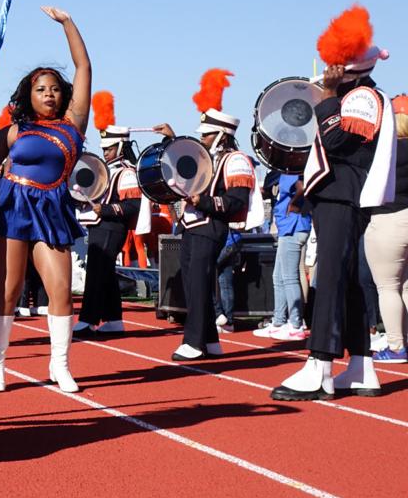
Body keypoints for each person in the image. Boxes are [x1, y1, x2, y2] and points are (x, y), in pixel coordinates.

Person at [273, 5, 392, 400]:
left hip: (343, 197)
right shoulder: (357, 95)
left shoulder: (363, 97)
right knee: (351, 282)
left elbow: (338, 140)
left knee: (330, 279)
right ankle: (361, 366)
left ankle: (320, 364)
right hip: (339, 196)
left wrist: (325, 94)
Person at [0, 7, 92, 393]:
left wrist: (68, 24)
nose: (49, 95)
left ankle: (60, 365)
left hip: (52, 208)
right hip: (10, 208)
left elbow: (83, 67)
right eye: (41, 89)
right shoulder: (13, 131)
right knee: (7, 288)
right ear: (29, 94)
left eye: (55, 88)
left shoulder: (74, 123)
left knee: (60, 288)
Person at [154, 71, 257, 362]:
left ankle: (195, 342)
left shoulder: (235, 160)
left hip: (210, 227)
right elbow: (186, 162)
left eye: (208, 134)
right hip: (193, 226)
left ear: (222, 134)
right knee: (194, 282)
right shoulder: (209, 158)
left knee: (198, 282)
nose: (204, 138)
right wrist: (172, 140)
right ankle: (211, 341)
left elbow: (236, 201)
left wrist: (204, 201)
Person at [75, 93, 142, 335]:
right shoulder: (107, 169)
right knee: (104, 272)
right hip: (99, 225)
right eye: (104, 148)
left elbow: (133, 206)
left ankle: (88, 320)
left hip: (111, 226)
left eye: (110, 148)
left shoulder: (126, 173)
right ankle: (114, 319)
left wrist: (103, 209)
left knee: (96, 273)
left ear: (121, 146)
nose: (106, 153)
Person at [365, 97, 408, 363]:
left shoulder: (383, 150)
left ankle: (396, 346)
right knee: (406, 286)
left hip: (388, 219)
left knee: (388, 287)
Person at [253, 172, 311, 341]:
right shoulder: (284, 174)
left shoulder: (292, 172)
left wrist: (293, 204)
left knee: (289, 277)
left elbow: (303, 187)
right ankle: (278, 322)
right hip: (288, 229)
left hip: (294, 227)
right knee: (278, 277)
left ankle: (295, 324)